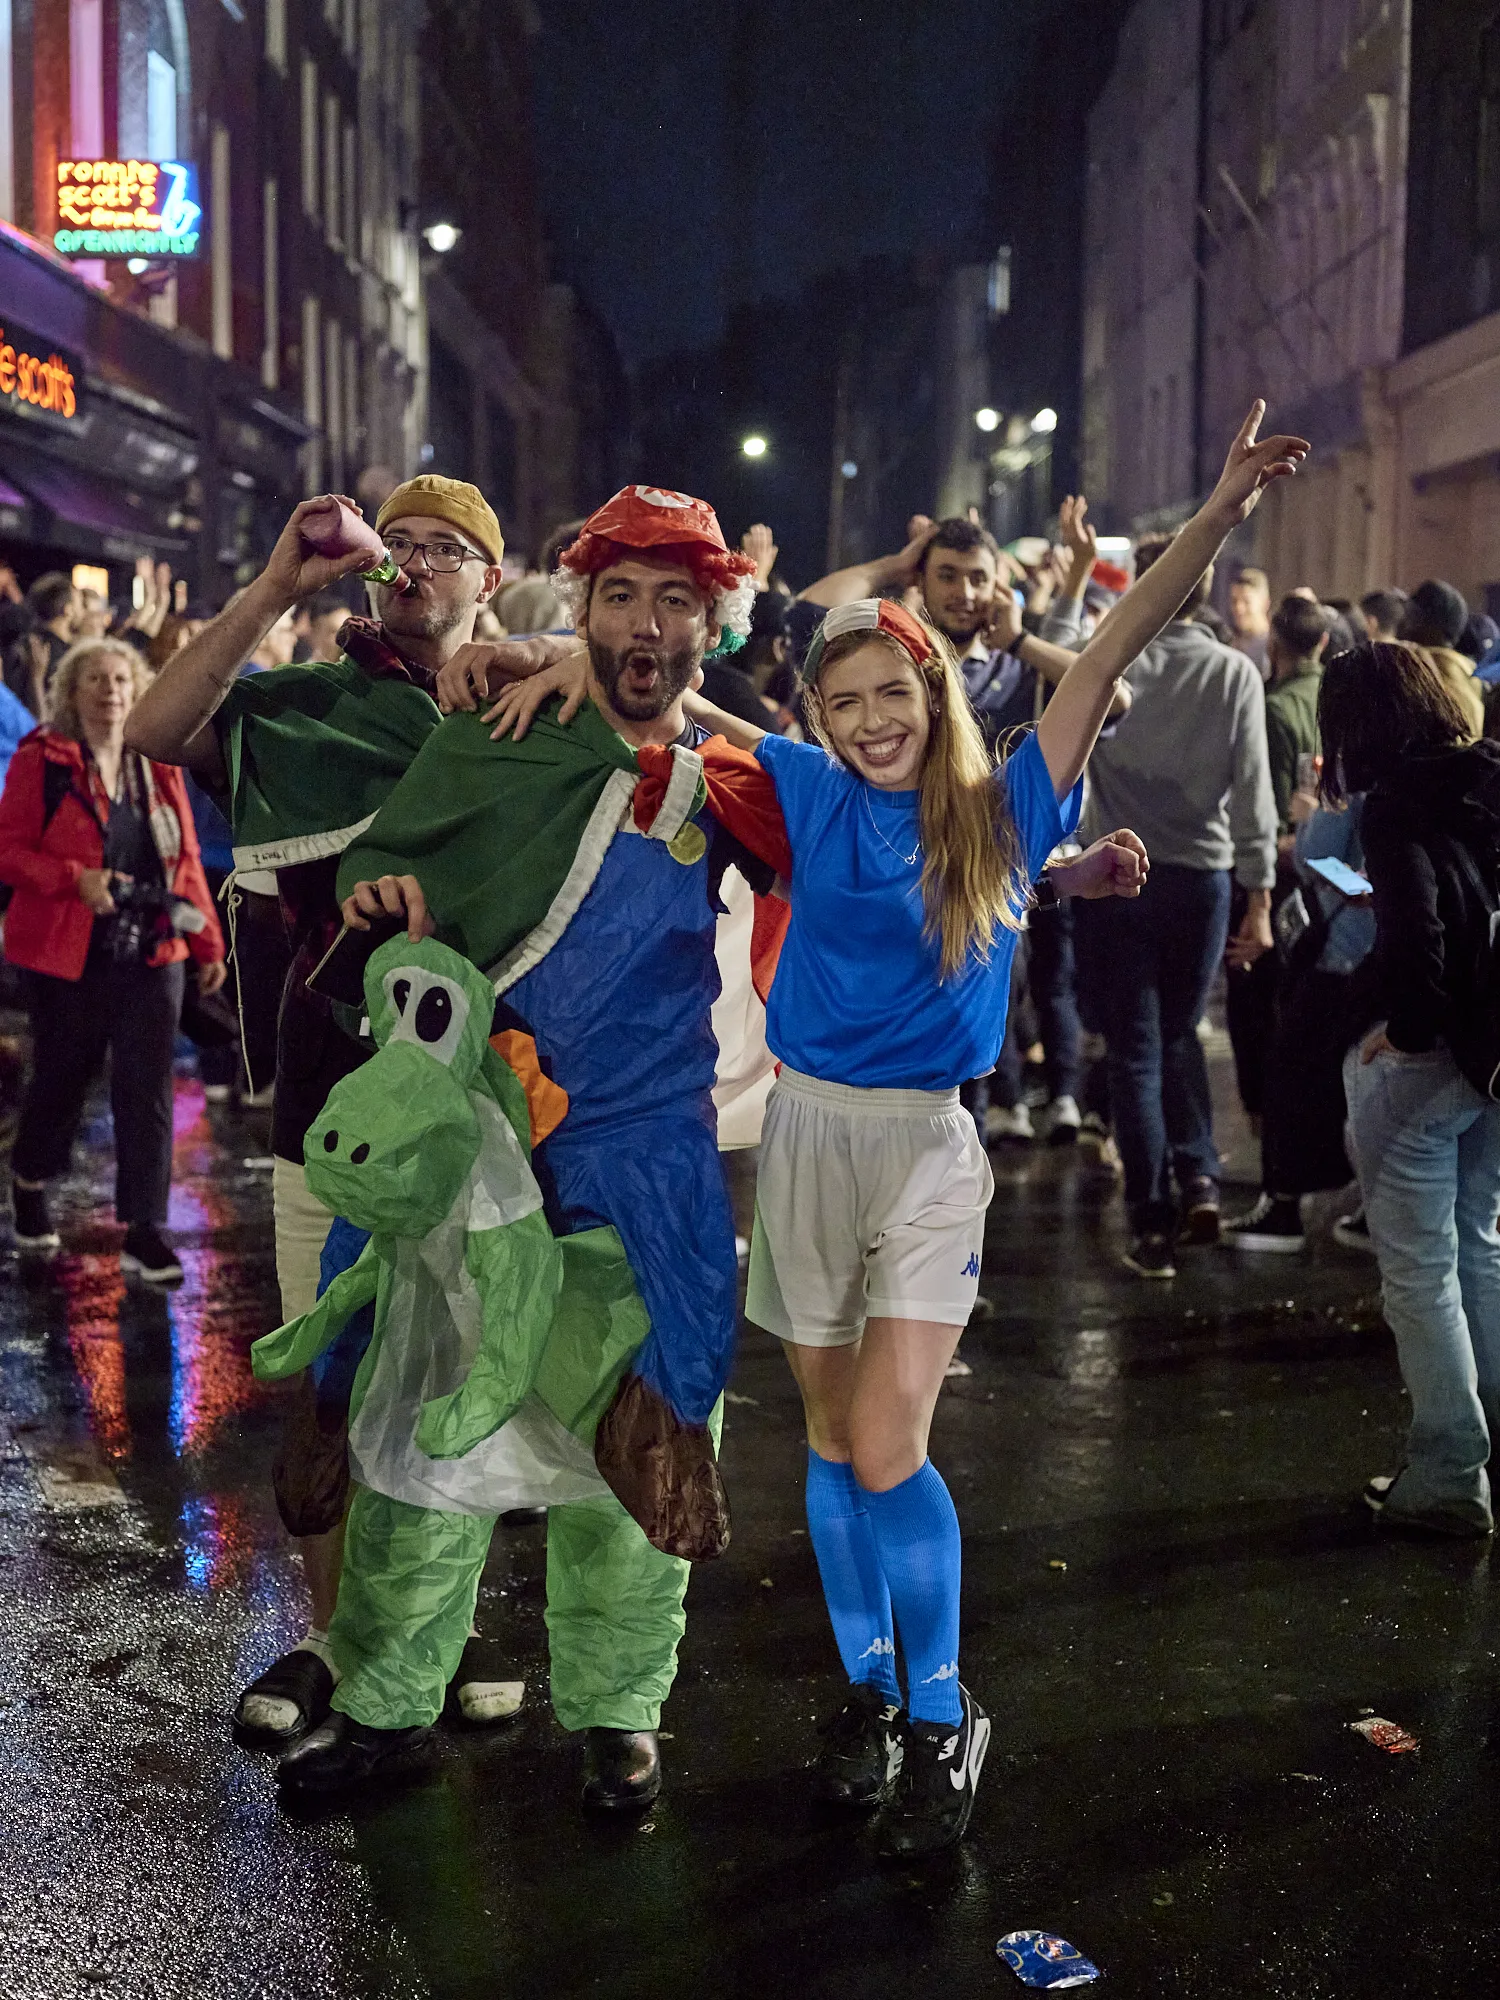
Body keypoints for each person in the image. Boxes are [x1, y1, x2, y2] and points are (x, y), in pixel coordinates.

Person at [632, 404, 1307, 1857]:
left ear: (939, 690)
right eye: (847, 698)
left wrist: (1225, 507)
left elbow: (1122, 637)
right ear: (823, 717)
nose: (872, 718)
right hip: (806, 1139)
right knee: (823, 1438)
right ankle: (868, 1697)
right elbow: (682, 702)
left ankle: (941, 1710)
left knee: (886, 1440)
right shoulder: (806, 785)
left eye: (895, 691)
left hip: (930, 1152)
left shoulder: (1008, 803)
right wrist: (545, 652)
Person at [306, 484, 774, 1803]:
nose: (641, 624)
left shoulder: (730, 784)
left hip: (642, 1166)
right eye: (617, 597)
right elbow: (385, 865)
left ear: (711, 626)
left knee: (634, 1444)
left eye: (674, 602)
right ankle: (389, 1706)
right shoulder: (503, 730)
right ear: (581, 606)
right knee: (426, 1446)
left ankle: (619, 1715)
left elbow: (876, 835)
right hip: (481, 1162)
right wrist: (383, 899)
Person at [125, 475, 514, 1744]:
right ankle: (348, 1648)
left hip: (474, 1111)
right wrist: (279, 586)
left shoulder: (523, 710)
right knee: (337, 1390)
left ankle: (438, 1635)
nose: (414, 564)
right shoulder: (307, 705)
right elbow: (156, 725)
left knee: (454, 1388)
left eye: (447, 549)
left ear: (490, 580)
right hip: (326, 1105)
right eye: (398, 544)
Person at [1320, 643, 1500, 1537]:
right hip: (1496, 1056)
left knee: (1422, 1275)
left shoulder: (1395, 804)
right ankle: (1484, 1440)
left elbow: (1417, 937)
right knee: (1480, 1246)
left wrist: (1406, 1034)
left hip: (1432, 1063)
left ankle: (1448, 1472)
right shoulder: (1488, 775)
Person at [1073, 528, 1280, 1277]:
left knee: (1134, 1046)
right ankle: (1196, 1174)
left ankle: (1151, 1220)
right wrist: (1259, 898)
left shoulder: (1111, 662)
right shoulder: (1233, 672)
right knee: (1178, 1030)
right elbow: (1254, 795)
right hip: (1203, 879)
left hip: (1117, 872)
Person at [0, 639, 225, 1280]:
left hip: (153, 951)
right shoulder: (42, 760)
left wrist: (205, 940)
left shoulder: (155, 762)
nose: (111, 691)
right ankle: (30, 1181)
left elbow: (181, 859)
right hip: (67, 956)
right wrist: (74, 879)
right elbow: (7, 852)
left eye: (122, 680)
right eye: (95, 680)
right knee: (62, 1081)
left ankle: (144, 1229)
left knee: (146, 1090)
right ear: (71, 692)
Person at [1222, 592, 1332, 1145]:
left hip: (1278, 876)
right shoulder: (1336, 699)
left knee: (1256, 1008)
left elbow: (1259, 807)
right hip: (1330, 883)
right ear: (1325, 643)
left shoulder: (1271, 708)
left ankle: (1269, 1136)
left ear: (1276, 643)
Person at [1398, 579, 1484, 741]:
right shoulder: (1468, 669)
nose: (1404, 622)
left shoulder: (1426, 667)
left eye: (1412, 614)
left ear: (1426, 622)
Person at [24, 573, 80, 687]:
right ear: (67, 610)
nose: (84, 612)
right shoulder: (66, 658)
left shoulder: (26, 645)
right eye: (81, 604)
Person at [1227, 565, 1272, 678]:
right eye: (1234, 601)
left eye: (1246, 602)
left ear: (1265, 604)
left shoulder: (1272, 647)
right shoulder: (1231, 645)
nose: (1239, 609)